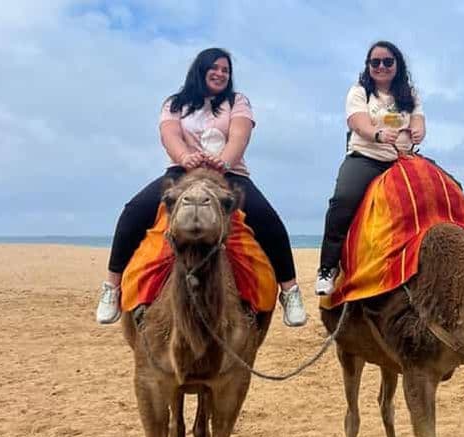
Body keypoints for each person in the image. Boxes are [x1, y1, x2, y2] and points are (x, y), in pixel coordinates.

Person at [96, 48, 307, 327]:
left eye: (225, 70)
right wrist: (185, 157)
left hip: (229, 175)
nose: (220, 74)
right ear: (200, 69)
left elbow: (239, 136)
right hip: (181, 173)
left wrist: (224, 161)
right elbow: (169, 135)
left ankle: (290, 291)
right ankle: (112, 287)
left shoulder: (237, 102)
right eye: (214, 68)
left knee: (268, 220)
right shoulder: (175, 103)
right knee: (133, 212)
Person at [316, 40, 425, 295]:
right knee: (343, 200)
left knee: (448, 188)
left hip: (403, 160)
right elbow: (358, 122)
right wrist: (377, 134)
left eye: (388, 61)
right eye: (375, 62)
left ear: (397, 64)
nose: (381, 66)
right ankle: (327, 268)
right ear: (368, 66)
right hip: (366, 158)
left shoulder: (410, 94)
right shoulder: (360, 92)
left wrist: (418, 131)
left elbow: (419, 120)